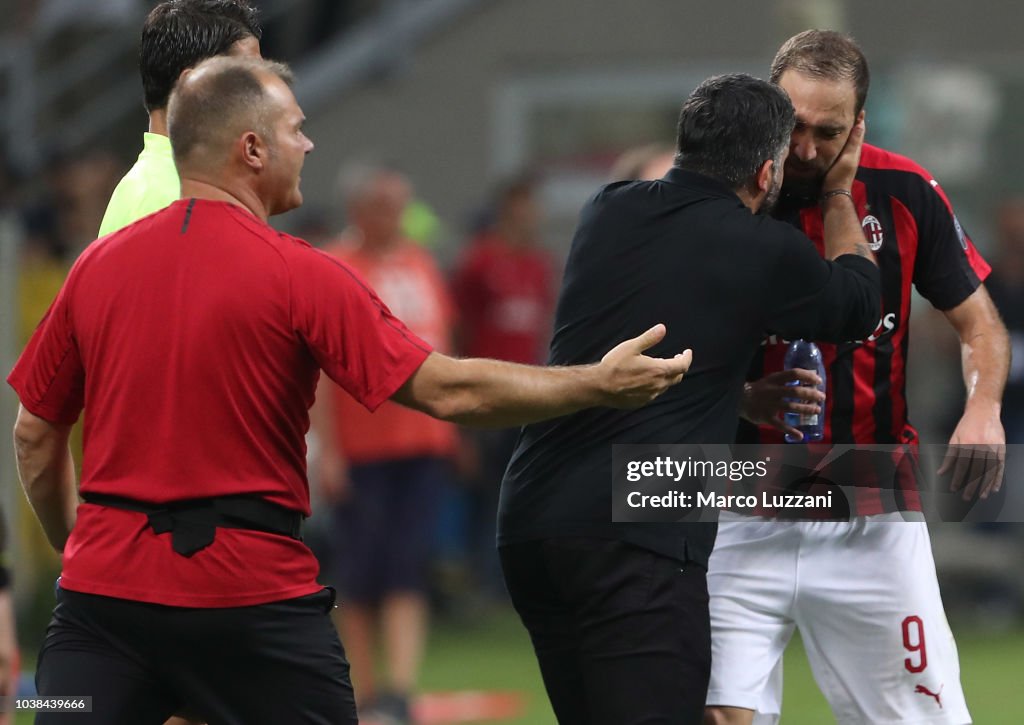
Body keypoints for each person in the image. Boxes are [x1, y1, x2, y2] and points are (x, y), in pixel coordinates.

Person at [8, 56, 692, 725]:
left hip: (102, 605)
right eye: (296, 128)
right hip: (252, 605)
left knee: (46, 705)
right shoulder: (302, 273)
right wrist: (597, 384)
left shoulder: (93, 267)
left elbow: (34, 434)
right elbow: (449, 391)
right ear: (252, 148)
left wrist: (79, 548)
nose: (308, 143)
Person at [497, 72, 881, 725]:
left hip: (534, 520)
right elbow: (859, 302)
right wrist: (840, 192)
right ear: (767, 173)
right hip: (636, 530)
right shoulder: (764, 247)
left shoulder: (608, 208)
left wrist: (734, 393)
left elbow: (666, 316)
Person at [704, 30, 1009, 725]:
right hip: (735, 504)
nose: (805, 148)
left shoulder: (905, 191)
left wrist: (982, 407)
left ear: (861, 123)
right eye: (793, 125)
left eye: (828, 130)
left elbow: (981, 325)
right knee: (720, 715)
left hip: (870, 511)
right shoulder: (719, 198)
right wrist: (737, 396)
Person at [311, 163, 458, 723]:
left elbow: (443, 348)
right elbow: (321, 372)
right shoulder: (336, 266)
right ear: (360, 210)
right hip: (362, 446)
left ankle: (399, 689)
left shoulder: (420, 264)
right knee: (359, 574)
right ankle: (364, 688)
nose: (398, 217)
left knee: (407, 567)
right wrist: (330, 452)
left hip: (421, 443)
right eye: (386, 205)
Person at [451, 173, 557, 601]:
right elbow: (458, 327)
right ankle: (481, 583)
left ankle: (514, 581)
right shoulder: (478, 262)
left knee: (524, 487)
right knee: (484, 491)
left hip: (528, 390)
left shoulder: (538, 264)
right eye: (521, 206)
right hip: (485, 391)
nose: (528, 215)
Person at [97, 0, 262, 237]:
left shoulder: (166, 188)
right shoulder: (164, 199)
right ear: (192, 86)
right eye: (249, 77)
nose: (265, 92)